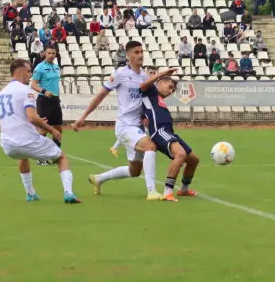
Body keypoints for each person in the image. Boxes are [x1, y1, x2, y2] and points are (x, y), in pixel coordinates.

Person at [72, 41, 162, 201]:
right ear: (128, 55)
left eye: (142, 52)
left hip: (138, 127)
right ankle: (152, 191)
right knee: (150, 147)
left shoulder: (145, 77)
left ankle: (98, 178)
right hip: (125, 126)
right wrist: (82, 117)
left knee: (134, 171)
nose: (140, 55)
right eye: (136, 52)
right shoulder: (120, 74)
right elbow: (99, 97)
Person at [0, 59, 80, 203]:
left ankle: (30, 194)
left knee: (23, 156)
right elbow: (32, 116)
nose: (31, 75)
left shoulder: (1, 93)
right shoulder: (25, 90)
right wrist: (52, 130)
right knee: (61, 157)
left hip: (7, 144)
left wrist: (37, 123)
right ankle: (68, 193)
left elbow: (16, 118)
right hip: (26, 140)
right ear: (20, 71)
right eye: (29, 71)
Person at [139, 70, 200, 201]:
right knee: (180, 154)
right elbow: (143, 86)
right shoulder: (151, 92)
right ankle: (168, 192)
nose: (171, 91)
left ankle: (184, 189)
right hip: (159, 131)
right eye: (170, 87)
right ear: (160, 83)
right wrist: (162, 73)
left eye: (173, 89)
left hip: (169, 132)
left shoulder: (159, 99)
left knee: (194, 160)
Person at [30, 47, 63, 166]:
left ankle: (54, 154)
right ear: (44, 54)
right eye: (49, 53)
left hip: (55, 100)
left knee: (58, 129)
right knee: (43, 129)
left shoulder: (56, 66)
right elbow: (33, 85)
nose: (51, 55)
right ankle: (40, 157)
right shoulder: (40, 67)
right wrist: (44, 91)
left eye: (53, 53)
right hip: (44, 100)